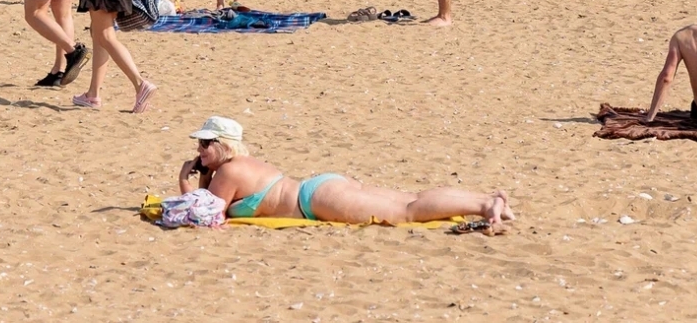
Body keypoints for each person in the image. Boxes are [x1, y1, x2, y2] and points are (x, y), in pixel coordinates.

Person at [178, 116, 514, 231]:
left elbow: (204, 215)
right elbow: (212, 199)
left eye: (205, 144)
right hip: (321, 189)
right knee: (410, 201)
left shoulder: (230, 172)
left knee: (408, 212)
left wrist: (184, 180)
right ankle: (487, 200)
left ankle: (486, 205)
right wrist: (203, 174)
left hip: (316, 200)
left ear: (223, 145)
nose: (199, 150)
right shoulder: (234, 167)